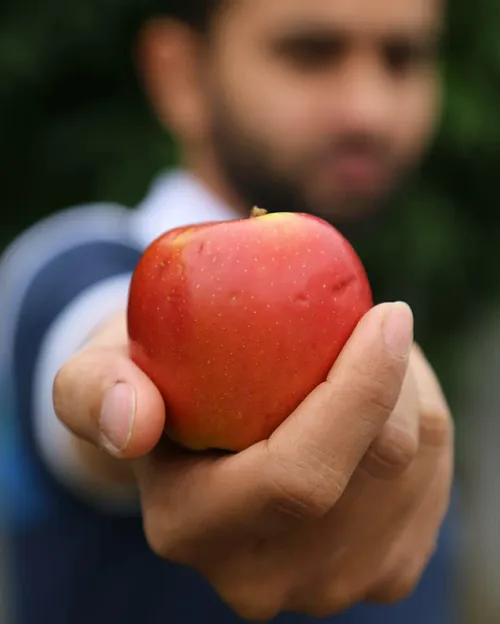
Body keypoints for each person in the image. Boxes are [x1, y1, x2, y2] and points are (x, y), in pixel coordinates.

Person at [0, 0, 456, 622]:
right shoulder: (80, 260)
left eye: (403, 58)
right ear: (179, 75)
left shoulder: (357, 298)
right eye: (310, 52)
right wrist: (130, 400)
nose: (369, 110)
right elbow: (88, 340)